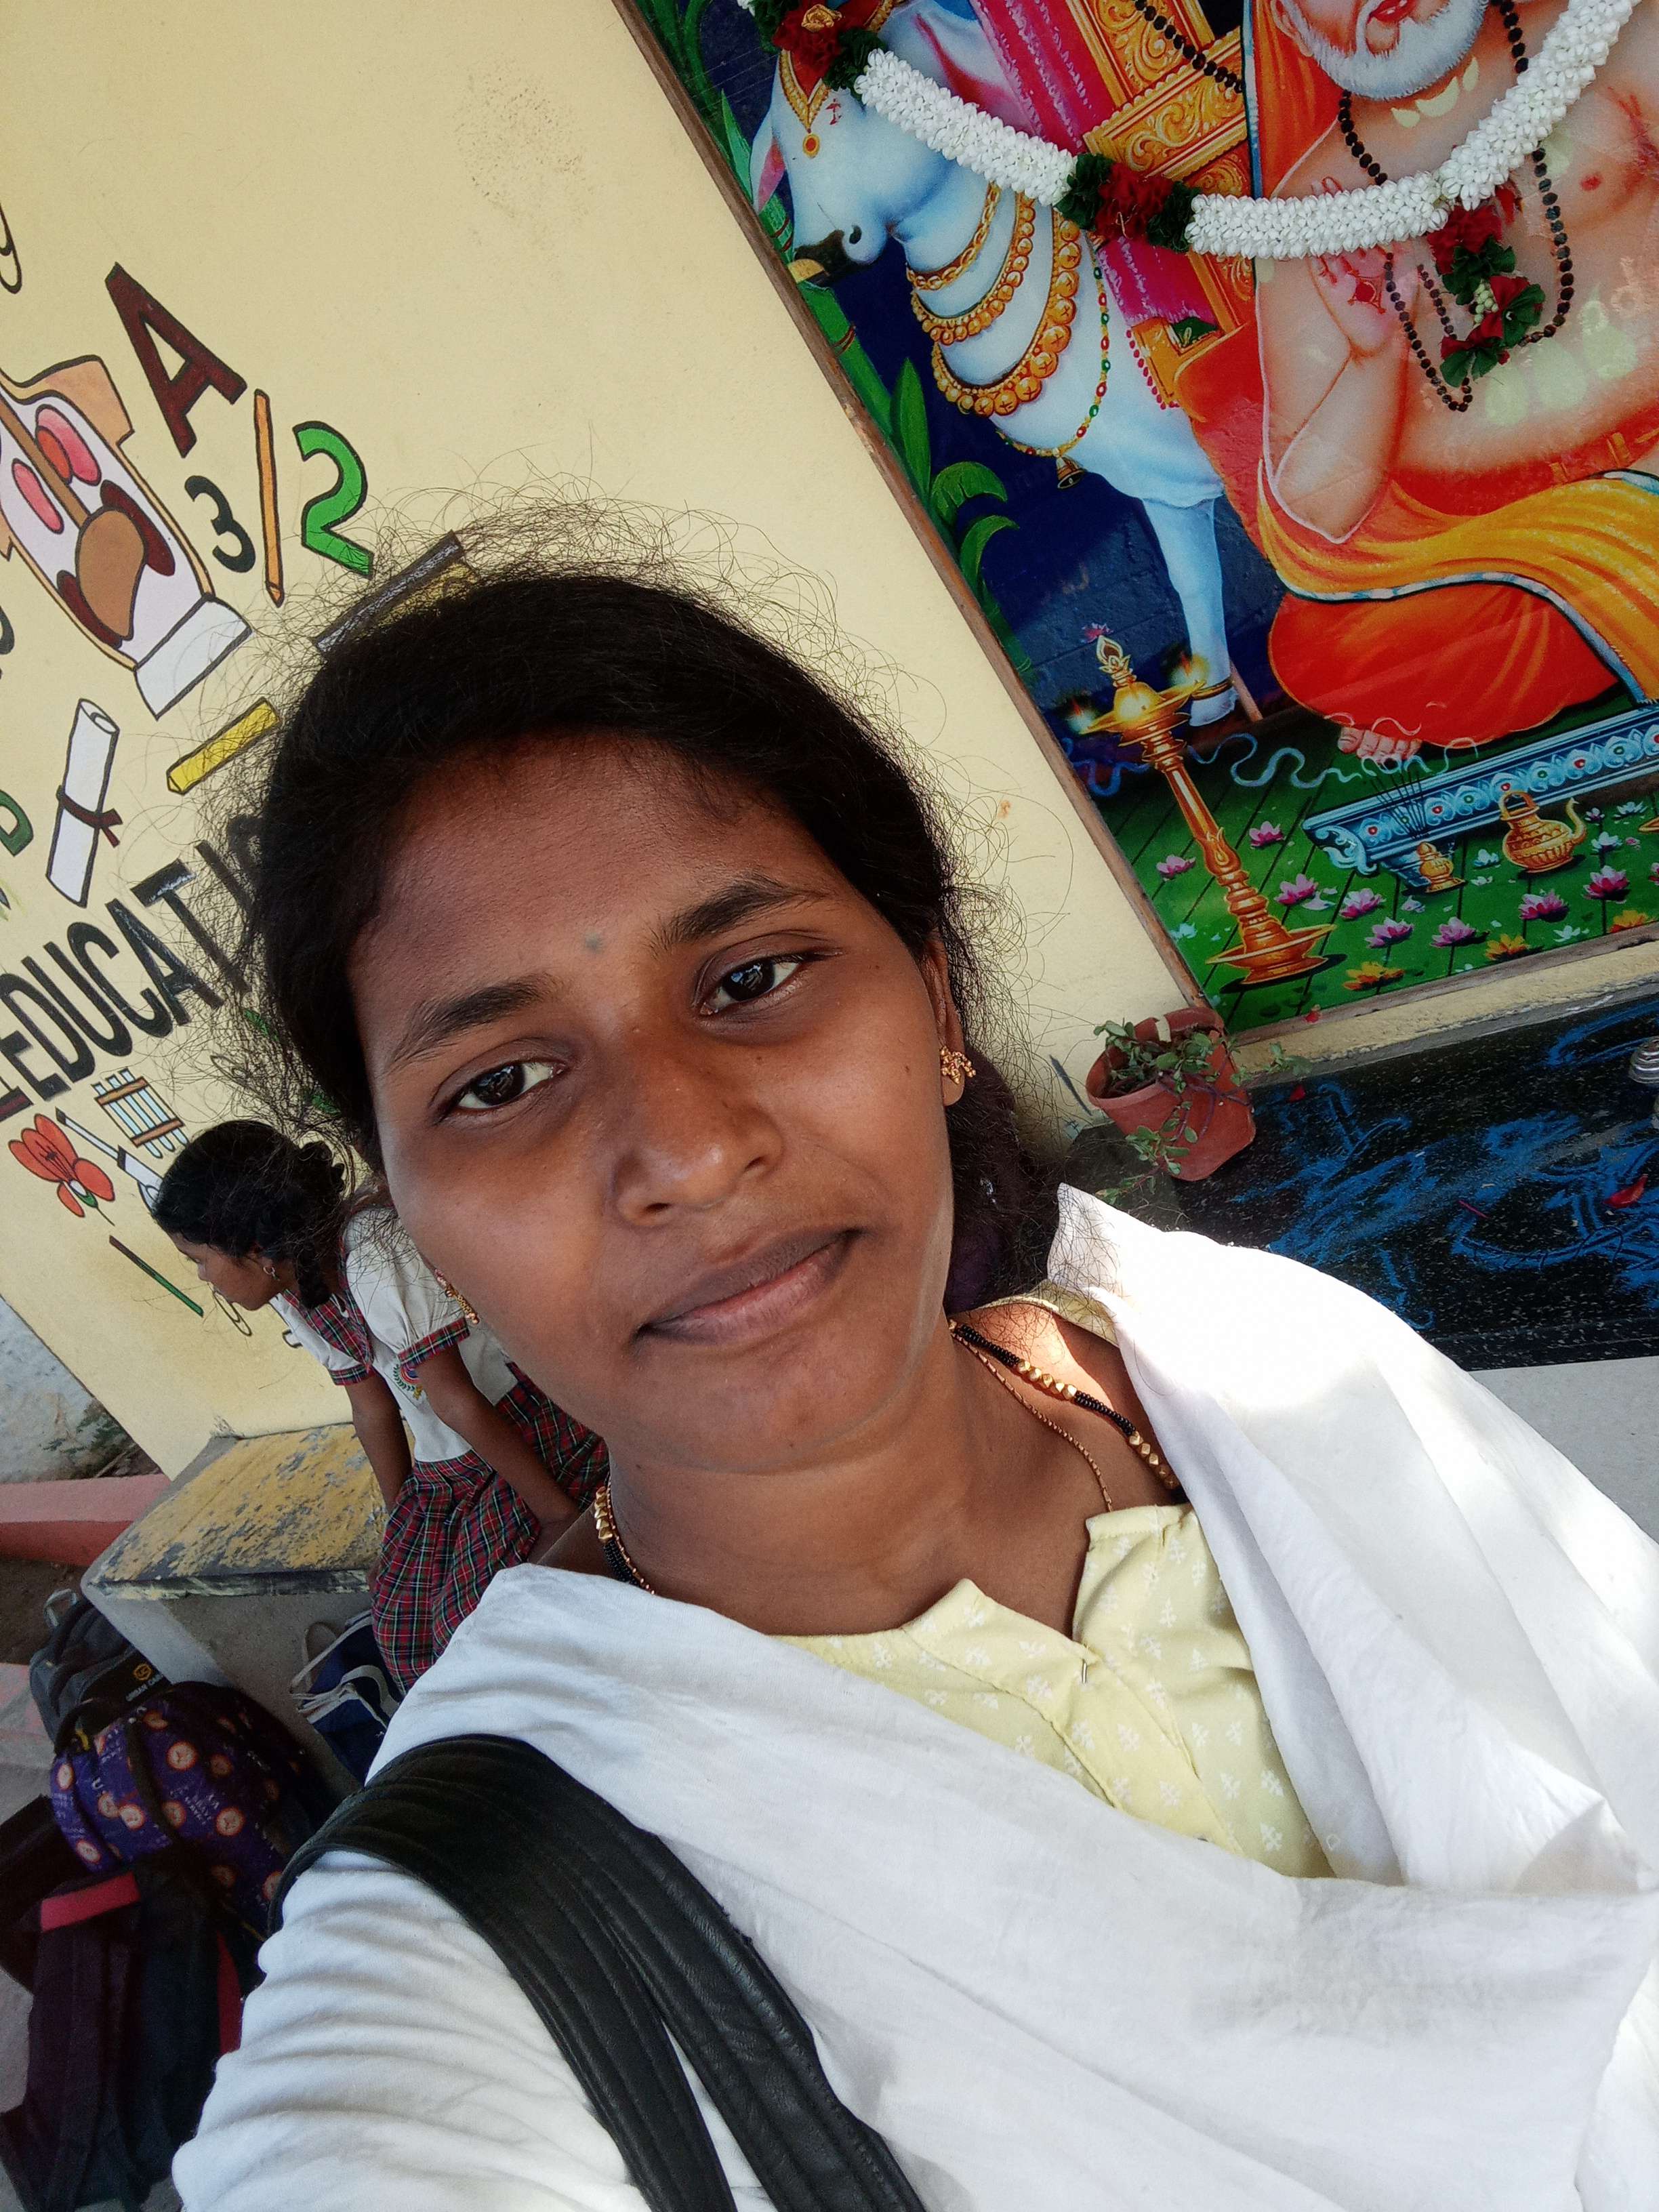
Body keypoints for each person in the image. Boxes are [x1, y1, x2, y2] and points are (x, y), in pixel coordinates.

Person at [177, 525, 1659, 2209]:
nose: (688, 1152)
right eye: (499, 1084)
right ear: (416, 1228)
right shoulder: (498, 1904)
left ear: (938, 1006)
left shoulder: (1265, 1367)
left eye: (751, 978)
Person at [1248, 0, 1659, 762]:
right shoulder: (1307, 212)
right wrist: (1375, 356)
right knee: (1338, 647)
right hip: (1494, 556)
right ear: (1287, 20)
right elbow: (1318, 508)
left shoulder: (1604, 31)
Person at [155, 1120, 606, 1689]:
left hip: (517, 1431)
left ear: (251, 1248)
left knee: (466, 1630)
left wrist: (558, 1515)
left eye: (198, 1259)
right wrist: (404, 1530)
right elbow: (371, 1407)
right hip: (447, 1467)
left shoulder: (371, 1250)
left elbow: (456, 1400)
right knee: (398, 1630)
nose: (204, 1277)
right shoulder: (292, 1287)